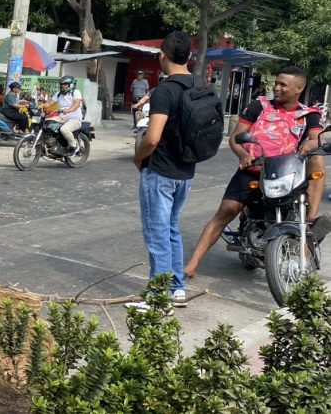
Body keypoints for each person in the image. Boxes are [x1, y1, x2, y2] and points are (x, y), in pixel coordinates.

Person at [183, 66, 325, 279]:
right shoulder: (259, 106)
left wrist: (312, 143)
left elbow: (316, 137)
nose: (276, 88)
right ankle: (191, 266)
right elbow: (236, 136)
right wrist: (242, 154)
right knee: (225, 211)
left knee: (316, 160)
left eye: (283, 85)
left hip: (288, 173)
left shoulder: (308, 115)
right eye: (276, 83)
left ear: (299, 89)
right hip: (255, 170)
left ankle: (311, 222)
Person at [132, 31, 196, 309]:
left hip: (160, 172)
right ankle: (177, 289)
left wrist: (138, 158)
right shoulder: (199, 86)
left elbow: (152, 138)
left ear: (162, 56)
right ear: (190, 57)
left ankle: (157, 296)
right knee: (171, 229)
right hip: (186, 172)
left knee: (156, 233)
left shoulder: (165, 91)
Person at [38, 75, 83, 155]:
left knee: (64, 129)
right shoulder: (59, 94)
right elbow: (49, 103)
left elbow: (76, 104)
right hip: (62, 117)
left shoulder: (76, 92)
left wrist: (69, 110)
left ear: (71, 85)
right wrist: (41, 106)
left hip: (74, 118)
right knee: (46, 122)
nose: (62, 86)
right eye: (61, 84)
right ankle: (51, 143)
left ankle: (74, 147)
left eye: (65, 84)